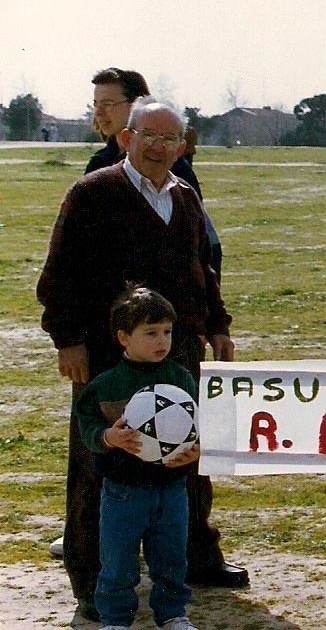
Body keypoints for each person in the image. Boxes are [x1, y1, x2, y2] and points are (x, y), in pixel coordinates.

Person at [37, 98, 246, 622]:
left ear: (182, 146)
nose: (158, 146)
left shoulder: (185, 197)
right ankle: (93, 580)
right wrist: (68, 339)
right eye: (148, 135)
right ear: (127, 139)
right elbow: (59, 273)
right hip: (110, 355)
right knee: (101, 460)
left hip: (178, 349)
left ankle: (196, 559)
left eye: (169, 138)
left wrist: (217, 325)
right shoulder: (93, 192)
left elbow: (203, 270)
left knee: (185, 452)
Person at [75, 286, 202, 630]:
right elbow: (87, 427)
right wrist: (108, 437)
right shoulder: (106, 385)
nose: (162, 341)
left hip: (171, 488)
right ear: (123, 338)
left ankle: (173, 614)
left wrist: (194, 451)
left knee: (172, 558)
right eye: (151, 333)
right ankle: (115, 619)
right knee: (117, 561)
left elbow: (199, 425)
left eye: (167, 332)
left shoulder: (180, 378)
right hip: (123, 490)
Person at [84, 68, 223, 279]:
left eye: (108, 104)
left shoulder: (172, 167)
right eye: (96, 104)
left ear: (136, 104)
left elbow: (202, 243)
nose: (99, 113)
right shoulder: (98, 165)